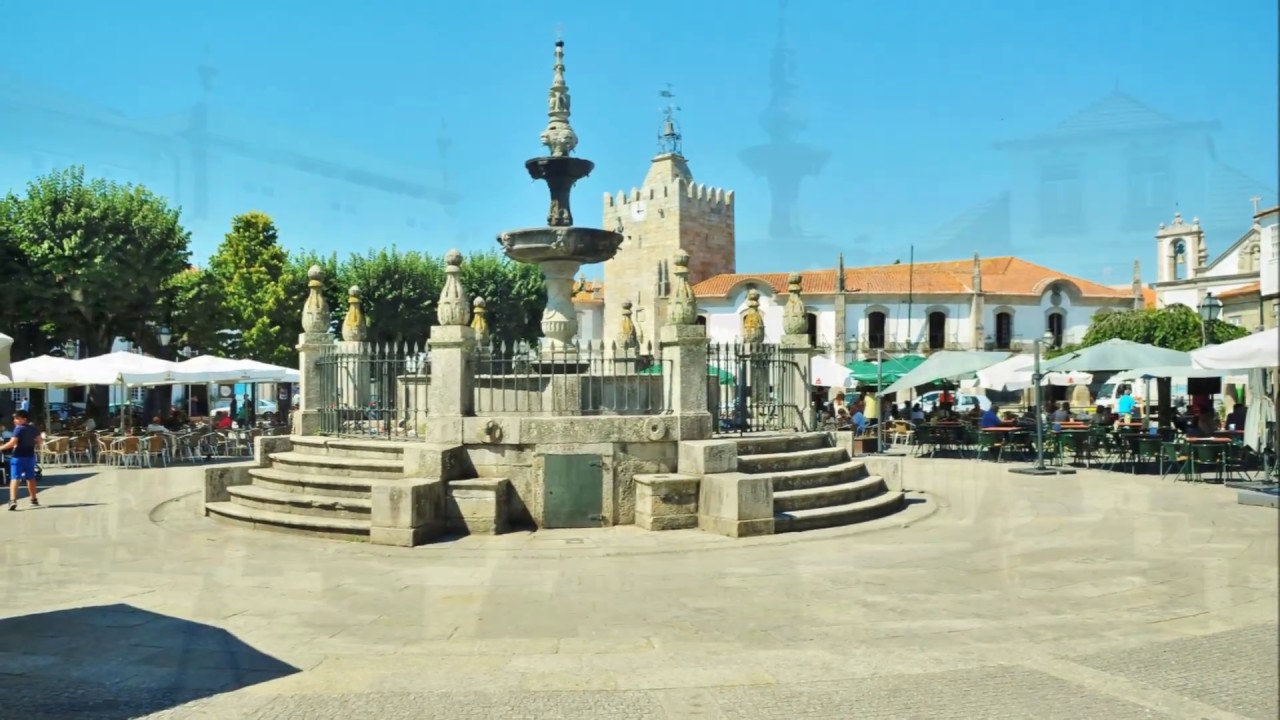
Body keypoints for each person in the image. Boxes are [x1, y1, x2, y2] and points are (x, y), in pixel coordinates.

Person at [2, 410, 41, 511]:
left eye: (17, 418)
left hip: (18, 457)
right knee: (31, 478)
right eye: (14, 418)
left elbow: (12, 442)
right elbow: (40, 441)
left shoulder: (18, 429)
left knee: (15, 478)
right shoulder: (33, 429)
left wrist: (1, 447)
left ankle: (13, 500)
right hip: (30, 456)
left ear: (24, 419)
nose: (15, 420)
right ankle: (33, 499)